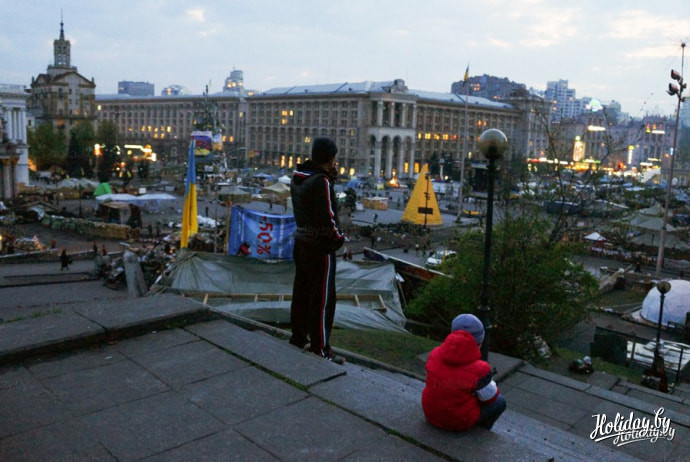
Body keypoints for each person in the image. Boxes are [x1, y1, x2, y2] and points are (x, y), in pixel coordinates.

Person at [289, 137, 345, 364]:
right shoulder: (321, 182)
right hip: (321, 248)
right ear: (329, 158)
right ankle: (320, 348)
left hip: (302, 242)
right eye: (334, 157)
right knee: (322, 299)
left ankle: (298, 338)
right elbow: (327, 218)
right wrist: (339, 239)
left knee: (302, 294)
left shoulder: (299, 178)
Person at [422, 313, 506, 431]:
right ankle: (481, 432)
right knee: (500, 402)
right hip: (457, 421)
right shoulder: (480, 369)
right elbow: (490, 398)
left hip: (430, 413)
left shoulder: (435, 353)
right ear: (479, 343)